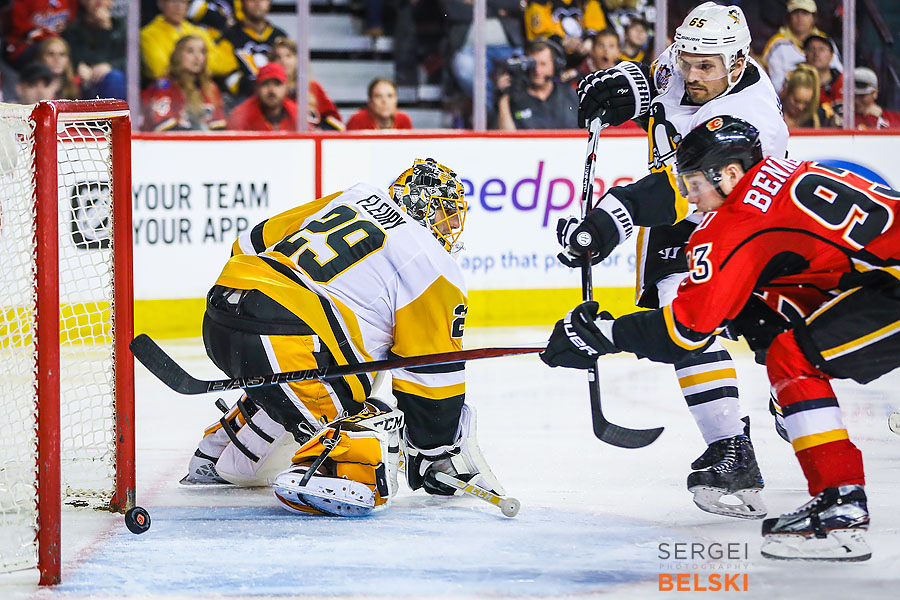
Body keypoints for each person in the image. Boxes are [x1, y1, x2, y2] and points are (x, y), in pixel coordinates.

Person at [542, 114, 893, 562]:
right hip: (881, 278)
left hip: (890, 286)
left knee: (793, 358)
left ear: (729, 174)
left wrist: (601, 334)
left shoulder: (733, 222)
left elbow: (683, 334)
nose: (690, 199)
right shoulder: (786, 172)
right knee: (787, 344)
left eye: (693, 185)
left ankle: (841, 507)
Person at [179, 158, 506, 517]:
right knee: (367, 428)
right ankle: (329, 466)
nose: (452, 226)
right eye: (448, 215)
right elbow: (429, 375)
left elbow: (248, 243)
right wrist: (435, 452)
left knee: (333, 372)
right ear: (427, 209)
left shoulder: (357, 196)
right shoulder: (432, 264)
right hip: (281, 338)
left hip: (223, 310)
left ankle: (226, 450)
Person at [565, 2, 788, 519]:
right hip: (682, 219)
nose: (691, 74)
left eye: (705, 67)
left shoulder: (748, 118)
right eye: (687, 60)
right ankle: (731, 449)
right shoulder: (695, 58)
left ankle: (790, 390)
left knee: (772, 335)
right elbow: (657, 87)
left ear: (736, 65)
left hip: (744, 222)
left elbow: (688, 186)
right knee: (683, 317)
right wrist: (624, 87)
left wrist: (610, 218)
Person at [141, 34, 226, 131]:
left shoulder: (210, 88)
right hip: (170, 144)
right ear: (178, 55)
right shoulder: (164, 86)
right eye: (190, 51)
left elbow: (219, 128)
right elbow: (163, 127)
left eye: (202, 52)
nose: (198, 57)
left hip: (203, 144)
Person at [140, 0, 236, 81]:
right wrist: (201, 65)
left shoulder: (198, 32)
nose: (178, 7)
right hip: (167, 93)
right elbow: (159, 69)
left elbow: (224, 64)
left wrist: (183, 64)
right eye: (173, 1)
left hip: (199, 91)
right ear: (161, 3)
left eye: (183, 2)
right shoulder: (147, 34)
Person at [495, 39, 578, 130]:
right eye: (533, 64)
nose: (537, 70)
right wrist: (503, 98)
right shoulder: (514, 97)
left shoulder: (569, 94)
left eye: (543, 64)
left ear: (555, 65)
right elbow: (506, 139)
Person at [762, 0, 840, 94]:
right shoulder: (777, 44)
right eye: (795, 13)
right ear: (788, 17)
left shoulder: (825, 41)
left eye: (805, 13)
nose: (800, 18)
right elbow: (774, 85)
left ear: (814, 18)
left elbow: (839, 73)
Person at [217, 0, 288, 103]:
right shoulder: (229, 37)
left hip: (277, 102)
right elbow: (229, 79)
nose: (258, 2)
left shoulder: (280, 37)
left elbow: (290, 75)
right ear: (242, 3)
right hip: (241, 103)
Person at [268, 36, 344, 131]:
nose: (283, 61)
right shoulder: (267, 92)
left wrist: (320, 131)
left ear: (298, 60)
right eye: (278, 57)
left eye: (288, 56)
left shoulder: (313, 87)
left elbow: (335, 122)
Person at [61, 0, 127, 100]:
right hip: (85, 84)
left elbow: (133, 62)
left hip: (115, 83)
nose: (99, 2)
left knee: (115, 77)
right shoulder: (72, 31)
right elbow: (70, 61)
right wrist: (77, 67)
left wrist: (110, 66)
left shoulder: (121, 27)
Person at [3, 0, 76, 68]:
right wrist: (47, 36)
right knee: (50, 51)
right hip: (25, 46)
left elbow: (70, 23)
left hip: (54, 43)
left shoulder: (68, 2)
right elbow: (20, 29)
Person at [226, 61, 298, 131]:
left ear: (286, 88)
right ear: (256, 88)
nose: (271, 90)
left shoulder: (297, 114)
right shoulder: (240, 117)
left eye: (277, 84)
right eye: (265, 84)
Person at [346, 78, 413, 131]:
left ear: (396, 100)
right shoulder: (357, 120)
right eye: (378, 96)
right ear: (370, 101)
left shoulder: (404, 120)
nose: (384, 101)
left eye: (390, 96)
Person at [780, 64, 835, 128]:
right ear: (786, 92)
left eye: (806, 103)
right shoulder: (772, 114)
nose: (800, 107)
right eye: (796, 101)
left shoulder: (820, 119)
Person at [802, 33, 841, 108]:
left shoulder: (845, 82)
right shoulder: (797, 83)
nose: (816, 54)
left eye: (821, 49)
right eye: (811, 49)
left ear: (831, 55)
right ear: (805, 55)